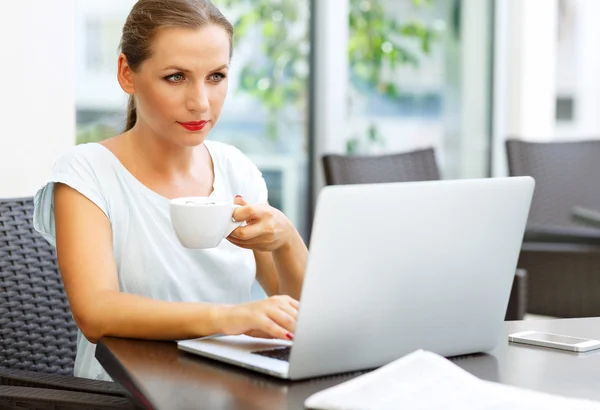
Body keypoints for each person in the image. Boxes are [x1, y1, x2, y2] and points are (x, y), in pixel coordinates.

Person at [33, 0, 308, 381]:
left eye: (216, 76)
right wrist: (231, 317)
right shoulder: (87, 172)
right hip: (125, 395)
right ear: (127, 74)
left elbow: (305, 312)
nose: (200, 102)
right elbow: (95, 312)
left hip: (231, 389)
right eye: (176, 77)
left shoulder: (236, 169)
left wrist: (286, 240)